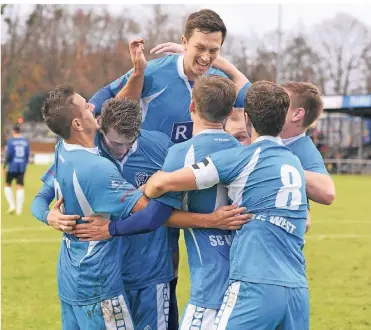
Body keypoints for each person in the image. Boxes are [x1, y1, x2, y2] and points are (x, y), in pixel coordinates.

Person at [32, 89, 249, 329]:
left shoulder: (161, 147)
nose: (121, 151)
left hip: (149, 273)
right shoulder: (89, 158)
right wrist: (49, 214)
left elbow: (162, 210)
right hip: (106, 276)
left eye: (129, 143)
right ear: (100, 125)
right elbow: (43, 195)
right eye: (114, 143)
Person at [88, 10, 251, 327]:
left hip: (191, 180)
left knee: (179, 259)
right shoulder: (156, 73)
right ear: (183, 42)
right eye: (199, 48)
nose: (205, 57)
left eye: (213, 51)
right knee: (152, 257)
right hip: (149, 180)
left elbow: (254, 94)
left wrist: (223, 64)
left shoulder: (214, 85)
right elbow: (100, 99)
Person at [144, 81, 310, 330]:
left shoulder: (239, 158)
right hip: (297, 289)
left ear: (246, 117)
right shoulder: (295, 163)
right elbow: (306, 221)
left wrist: (152, 183)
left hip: (251, 285)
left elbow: (161, 186)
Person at [150, 74, 244, 329]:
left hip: (210, 288)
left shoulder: (181, 153)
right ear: (229, 112)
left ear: (192, 106)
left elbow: (155, 215)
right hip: (249, 283)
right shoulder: (245, 152)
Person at [3, 125, 30, 215]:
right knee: (20, 186)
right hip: (21, 167)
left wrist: (3, 167)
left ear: (13, 131)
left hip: (12, 166)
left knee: (7, 185)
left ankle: (12, 205)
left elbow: (8, 155)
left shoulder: (10, 142)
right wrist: (25, 167)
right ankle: (19, 210)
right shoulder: (25, 142)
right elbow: (27, 156)